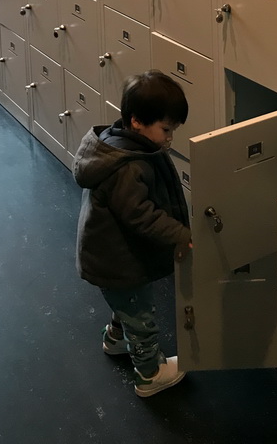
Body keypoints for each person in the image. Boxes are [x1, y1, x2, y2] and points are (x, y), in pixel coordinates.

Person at [73, 69, 191, 398]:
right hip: (117, 259)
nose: (170, 138)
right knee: (140, 314)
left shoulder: (121, 145)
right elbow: (142, 215)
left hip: (109, 254)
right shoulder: (128, 167)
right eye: (166, 129)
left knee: (126, 303)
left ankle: (115, 339)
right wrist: (180, 234)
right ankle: (150, 373)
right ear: (137, 121)